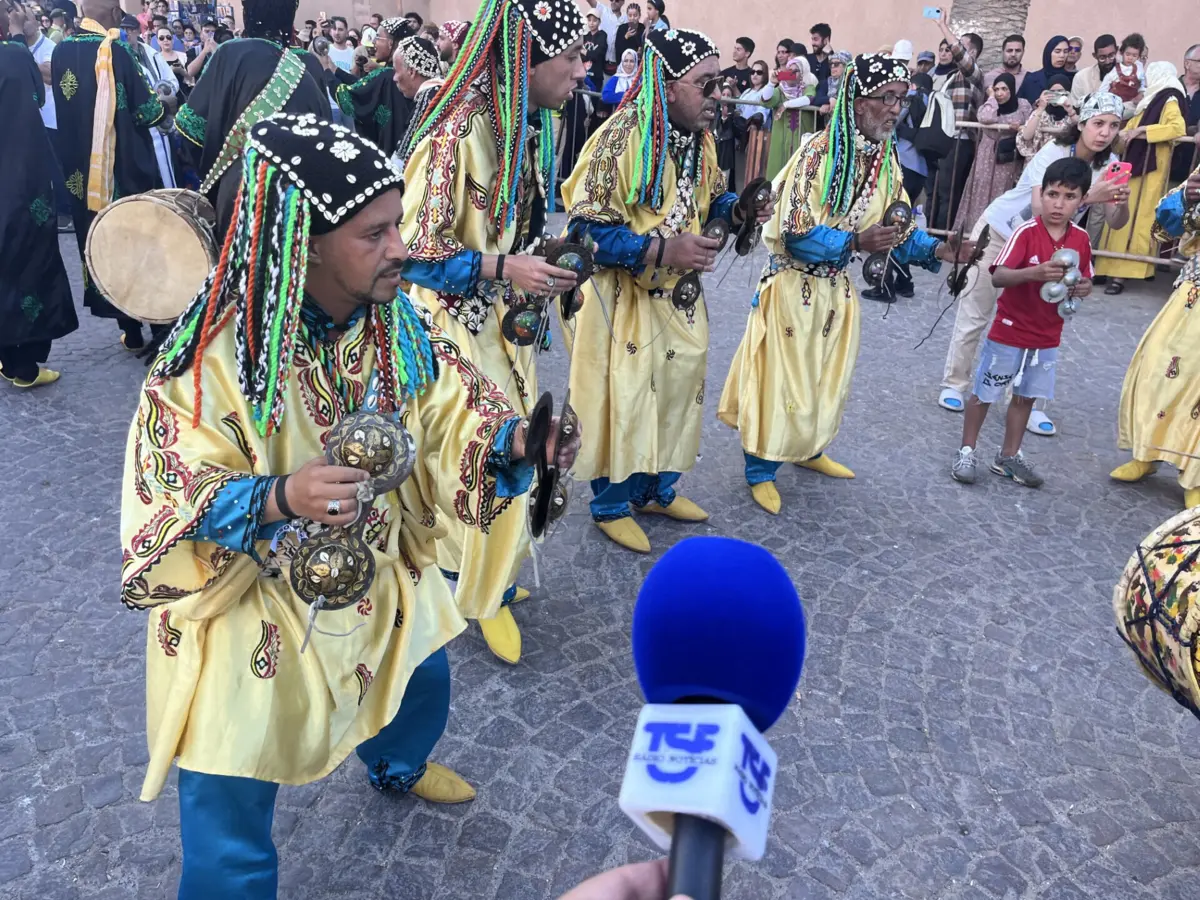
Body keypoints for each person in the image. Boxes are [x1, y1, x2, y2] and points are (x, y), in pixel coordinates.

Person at [122, 113, 578, 897]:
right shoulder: (209, 359)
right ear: (304, 245)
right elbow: (169, 485)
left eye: (398, 224)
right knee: (227, 772)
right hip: (252, 596)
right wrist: (278, 495)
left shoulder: (392, 321)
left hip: (376, 567)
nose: (401, 246)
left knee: (420, 672)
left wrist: (512, 443)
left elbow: (450, 406)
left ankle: (397, 763)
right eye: (375, 233)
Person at [398, 0, 586, 663]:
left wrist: (542, 259)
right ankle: (464, 592)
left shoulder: (519, 124)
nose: (581, 71)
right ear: (526, 60)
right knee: (472, 458)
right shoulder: (455, 133)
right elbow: (410, 255)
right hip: (451, 331)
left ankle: (495, 579)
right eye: (571, 57)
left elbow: (508, 232)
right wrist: (505, 266)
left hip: (499, 326)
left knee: (521, 448)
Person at [718, 54, 971, 513]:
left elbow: (896, 227)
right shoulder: (818, 152)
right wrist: (855, 241)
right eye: (886, 98)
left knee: (825, 378)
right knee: (782, 379)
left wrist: (940, 250)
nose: (895, 109)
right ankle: (761, 468)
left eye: (901, 99)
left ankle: (809, 448)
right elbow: (793, 231)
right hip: (793, 286)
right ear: (857, 101)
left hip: (836, 290)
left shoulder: (884, 159)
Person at [560, 28, 750, 550]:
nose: (717, 96)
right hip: (623, 300)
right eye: (705, 85)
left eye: (720, 84)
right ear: (667, 87)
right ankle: (611, 502)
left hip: (679, 298)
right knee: (624, 398)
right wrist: (664, 251)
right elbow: (585, 232)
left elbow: (711, 198)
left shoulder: (699, 140)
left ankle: (655, 490)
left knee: (677, 392)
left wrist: (738, 209)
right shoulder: (619, 139)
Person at [936, 93, 1131, 431]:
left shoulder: (1109, 164)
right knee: (976, 311)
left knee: (1039, 320)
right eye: (1098, 123)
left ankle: (1026, 400)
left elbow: (1116, 222)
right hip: (1001, 232)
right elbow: (1041, 210)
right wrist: (1089, 197)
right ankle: (955, 383)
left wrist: (1121, 199)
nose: (1105, 133)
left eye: (1113, 126)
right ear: (1082, 123)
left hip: (1050, 246)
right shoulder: (1054, 151)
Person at [951, 157, 1095, 488]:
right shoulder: (1025, 232)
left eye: (1069, 197)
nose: (1058, 204)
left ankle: (1008, 456)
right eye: (1053, 194)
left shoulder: (1081, 239)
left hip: (1047, 335)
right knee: (985, 392)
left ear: (1082, 200)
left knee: (1026, 397)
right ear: (1041, 194)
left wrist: (1083, 288)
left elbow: (1084, 278)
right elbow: (999, 276)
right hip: (1009, 330)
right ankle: (967, 451)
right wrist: (1034, 273)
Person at [51, 0, 165, 351]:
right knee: (141, 244)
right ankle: (160, 327)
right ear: (115, 14)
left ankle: (130, 330)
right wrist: (167, 104)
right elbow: (149, 112)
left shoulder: (60, 52)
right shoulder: (117, 51)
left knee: (104, 243)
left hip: (83, 176)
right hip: (125, 171)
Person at [173, 0, 329, 237]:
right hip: (300, 204)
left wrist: (213, 182)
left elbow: (189, 129)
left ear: (247, 14)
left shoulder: (230, 53)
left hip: (239, 201)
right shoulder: (309, 64)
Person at [1110, 166, 1200, 506]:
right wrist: (1186, 197)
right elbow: (1166, 224)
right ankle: (1146, 452)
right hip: (1194, 290)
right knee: (1157, 363)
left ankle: (1195, 476)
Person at [0, 7, 78, 388]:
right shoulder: (13, 54)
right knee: (25, 264)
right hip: (17, 180)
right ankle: (24, 366)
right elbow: (36, 92)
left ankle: (7, 358)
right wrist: (17, 37)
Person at [1097, 61, 1188, 295]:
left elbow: (1177, 128)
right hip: (1135, 165)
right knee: (1120, 212)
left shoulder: (1169, 98)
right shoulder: (1151, 100)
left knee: (1137, 218)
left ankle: (1121, 275)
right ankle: (1107, 267)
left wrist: (1141, 131)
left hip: (1151, 169)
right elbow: (1132, 129)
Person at [952, 72, 1031, 234]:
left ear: (1012, 89)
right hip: (986, 157)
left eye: (1004, 89)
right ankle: (972, 235)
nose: (1000, 93)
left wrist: (1020, 128)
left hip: (1008, 159)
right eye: (996, 89)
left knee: (1002, 195)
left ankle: (994, 236)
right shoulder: (989, 105)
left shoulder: (1023, 105)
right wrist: (992, 98)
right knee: (979, 194)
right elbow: (986, 118)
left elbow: (1029, 124)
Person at [335, 18, 425, 156]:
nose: (373, 42)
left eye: (377, 37)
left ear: (390, 43)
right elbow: (367, 84)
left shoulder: (387, 76)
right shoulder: (399, 74)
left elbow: (352, 94)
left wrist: (329, 70)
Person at [928, 12, 984, 231]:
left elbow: (960, 56)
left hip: (960, 141)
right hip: (945, 140)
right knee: (935, 191)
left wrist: (943, 26)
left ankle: (941, 237)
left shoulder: (973, 75)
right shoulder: (953, 76)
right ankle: (929, 235)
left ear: (972, 53)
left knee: (947, 193)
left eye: (961, 46)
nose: (953, 49)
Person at [763, 52, 817, 180]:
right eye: (788, 70)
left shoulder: (808, 87)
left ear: (802, 73)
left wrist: (786, 104)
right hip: (781, 140)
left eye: (795, 71)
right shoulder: (781, 90)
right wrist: (771, 83)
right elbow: (766, 99)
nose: (790, 74)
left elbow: (809, 99)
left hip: (801, 139)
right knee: (778, 175)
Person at [739, 58, 774, 184]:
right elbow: (739, 108)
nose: (754, 75)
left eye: (759, 72)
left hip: (757, 133)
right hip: (742, 132)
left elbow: (763, 112)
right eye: (752, 72)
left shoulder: (766, 91)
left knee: (755, 171)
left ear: (764, 75)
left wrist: (754, 122)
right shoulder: (747, 91)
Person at [1017, 34, 1070, 105]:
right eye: (1057, 51)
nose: (1062, 55)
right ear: (1048, 53)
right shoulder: (1032, 79)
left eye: (1065, 52)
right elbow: (1020, 105)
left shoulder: (1072, 78)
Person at [1101, 32, 1147, 106]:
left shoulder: (1139, 68)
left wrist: (1141, 93)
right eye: (1128, 54)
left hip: (1133, 104)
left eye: (1134, 56)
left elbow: (1143, 84)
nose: (1130, 58)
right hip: (1116, 104)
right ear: (1122, 52)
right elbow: (1104, 88)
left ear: (1138, 56)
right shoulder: (1115, 70)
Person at [582, 10, 607, 83]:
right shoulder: (585, 36)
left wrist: (584, 52)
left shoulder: (602, 35)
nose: (591, 23)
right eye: (589, 20)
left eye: (594, 20)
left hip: (596, 76)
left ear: (599, 22)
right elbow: (580, 56)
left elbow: (597, 55)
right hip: (584, 75)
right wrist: (590, 54)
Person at [808, 21, 831, 88]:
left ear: (826, 40)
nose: (812, 43)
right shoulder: (807, 59)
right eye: (812, 39)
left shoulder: (834, 62)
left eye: (816, 39)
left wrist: (830, 54)